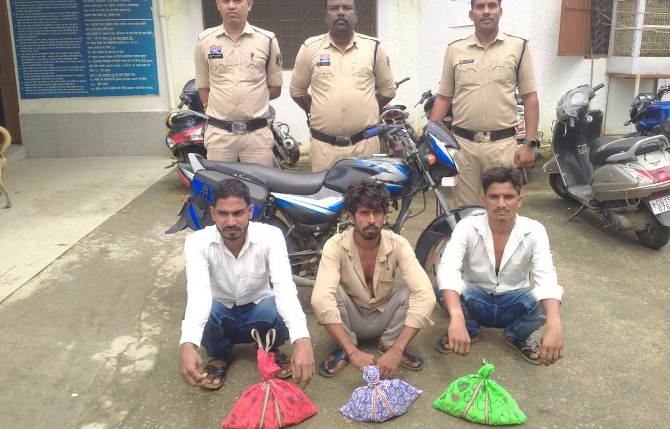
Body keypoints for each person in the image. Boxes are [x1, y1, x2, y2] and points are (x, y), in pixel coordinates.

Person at [179, 178, 314, 390]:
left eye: (238, 213)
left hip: (259, 311)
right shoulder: (197, 242)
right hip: (221, 313)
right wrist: (187, 343)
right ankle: (219, 356)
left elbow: (285, 288)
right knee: (203, 311)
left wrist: (302, 339)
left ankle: (269, 349)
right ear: (213, 213)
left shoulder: (271, 236)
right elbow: (198, 294)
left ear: (250, 211)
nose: (231, 222)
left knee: (280, 305)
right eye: (223, 213)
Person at [435, 166, 564, 366]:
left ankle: (516, 335)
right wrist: (456, 317)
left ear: (519, 200)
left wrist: (555, 325)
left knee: (546, 302)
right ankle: (469, 329)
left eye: (508, 197)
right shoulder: (466, 226)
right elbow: (448, 269)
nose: (501, 204)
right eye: (494, 197)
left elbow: (546, 276)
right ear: (483, 200)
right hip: (476, 298)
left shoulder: (535, 230)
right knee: (441, 286)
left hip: (514, 302)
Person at [311, 180, 435, 378]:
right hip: (349, 317)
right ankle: (346, 348)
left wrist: (397, 349)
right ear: (351, 216)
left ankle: (390, 345)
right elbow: (320, 300)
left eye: (377, 213)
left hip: (384, 315)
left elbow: (426, 295)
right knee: (328, 293)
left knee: (415, 293)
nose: (372, 220)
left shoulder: (398, 244)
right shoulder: (335, 245)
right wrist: (354, 353)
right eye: (364, 213)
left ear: (384, 215)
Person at [430, 0, 541, 206]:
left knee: (501, 210)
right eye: (480, 7)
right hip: (463, 147)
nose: (486, 11)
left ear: (501, 11)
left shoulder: (518, 47)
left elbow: (530, 98)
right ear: (471, 14)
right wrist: (430, 140)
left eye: (492, 5)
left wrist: (529, 144)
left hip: (503, 147)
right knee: (466, 212)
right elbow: (443, 98)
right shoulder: (455, 50)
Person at [290, 0, 396, 171]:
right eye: (334, 8)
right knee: (326, 190)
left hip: (365, 147)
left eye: (347, 8)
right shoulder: (309, 48)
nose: (340, 12)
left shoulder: (374, 48)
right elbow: (297, 91)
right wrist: (319, 109)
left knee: (367, 190)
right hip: (324, 148)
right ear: (326, 16)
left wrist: (367, 107)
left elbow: (388, 90)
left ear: (356, 15)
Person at [194, 0, 283, 165]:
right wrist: (220, 108)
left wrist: (252, 101)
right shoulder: (205, 41)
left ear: (249, 4)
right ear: (218, 4)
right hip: (220, 135)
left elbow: (275, 87)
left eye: (237, 0)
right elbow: (203, 85)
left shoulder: (267, 40)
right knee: (220, 182)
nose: (231, 6)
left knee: (259, 182)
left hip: (257, 135)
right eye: (226, 1)